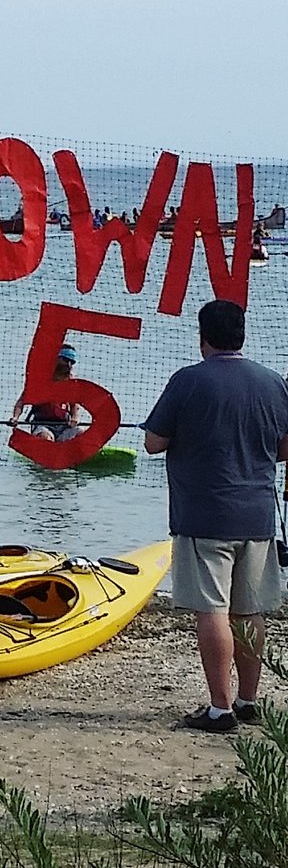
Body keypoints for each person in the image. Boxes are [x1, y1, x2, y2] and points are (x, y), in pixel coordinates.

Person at [143, 299, 288, 732]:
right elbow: (284, 449)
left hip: (203, 514)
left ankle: (219, 708)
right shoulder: (272, 382)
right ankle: (247, 700)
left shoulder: (188, 381)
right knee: (251, 610)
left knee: (213, 610)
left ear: (203, 336)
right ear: (242, 334)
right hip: (257, 514)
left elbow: (153, 443)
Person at [14, 346, 86, 443]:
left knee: (81, 434)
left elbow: (75, 406)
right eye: (65, 360)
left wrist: (75, 418)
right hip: (42, 425)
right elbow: (21, 402)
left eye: (71, 362)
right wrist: (15, 418)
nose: (68, 365)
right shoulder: (40, 380)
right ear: (57, 359)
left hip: (64, 425)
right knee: (46, 438)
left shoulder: (71, 382)